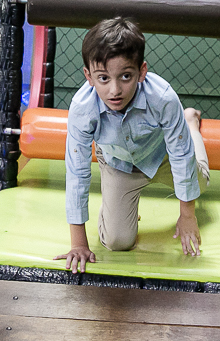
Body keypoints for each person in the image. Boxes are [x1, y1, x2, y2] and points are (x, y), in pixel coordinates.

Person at [55, 17, 210, 273]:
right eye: (103, 78)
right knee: (117, 242)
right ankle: (122, 204)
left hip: (161, 156)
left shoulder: (162, 97)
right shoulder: (83, 108)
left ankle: (190, 123)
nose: (115, 90)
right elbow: (77, 172)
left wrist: (187, 216)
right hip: (119, 163)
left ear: (142, 71)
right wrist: (78, 243)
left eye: (126, 76)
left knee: (200, 184)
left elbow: (180, 154)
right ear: (89, 76)